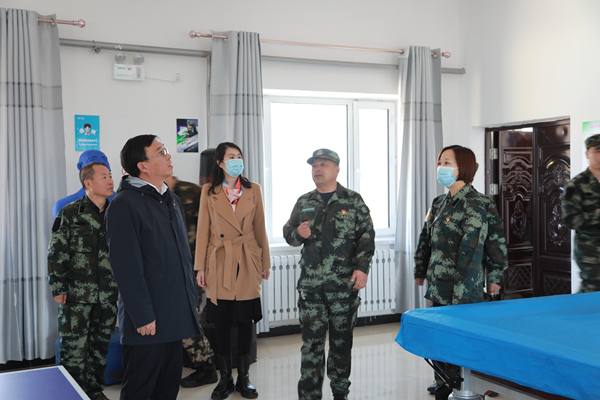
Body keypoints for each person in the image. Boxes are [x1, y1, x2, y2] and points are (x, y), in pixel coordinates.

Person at [105, 135, 201, 400]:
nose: (168, 156)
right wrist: (142, 315)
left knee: (167, 387)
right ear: (143, 165)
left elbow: (183, 255)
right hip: (147, 320)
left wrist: (190, 300)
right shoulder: (125, 204)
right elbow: (126, 267)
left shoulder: (169, 198)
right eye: (160, 152)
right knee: (140, 389)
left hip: (174, 312)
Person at [413, 145, 508, 398]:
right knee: (440, 338)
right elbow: (426, 239)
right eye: (440, 162)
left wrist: (494, 278)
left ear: (462, 167)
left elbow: (485, 248)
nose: (440, 167)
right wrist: (420, 269)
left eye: (447, 162)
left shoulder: (478, 204)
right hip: (438, 286)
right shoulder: (438, 203)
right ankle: (443, 382)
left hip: (464, 289)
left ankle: (470, 386)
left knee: (464, 339)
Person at [283, 148, 375, 400]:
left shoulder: (353, 201)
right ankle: (309, 395)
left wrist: (362, 268)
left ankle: (340, 392)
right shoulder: (304, 201)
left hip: (343, 286)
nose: (317, 169)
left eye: (323, 164)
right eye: (314, 165)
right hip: (311, 288)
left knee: (341, 343)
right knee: (311, 346)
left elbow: (366, 237)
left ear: (337, 169)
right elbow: (289, 232)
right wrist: (297, 234)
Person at [195, 142, 271, 400]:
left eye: (239, 156)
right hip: (219, 260)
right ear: (220, 163)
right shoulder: (209, 191)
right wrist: (200, 267)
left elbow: (260, 227)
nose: (237, 160)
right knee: (222, 322)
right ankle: (225, 378)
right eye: (231, 157)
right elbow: (203, 231)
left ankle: (244, 377)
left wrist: (265, 261)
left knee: (245, 320)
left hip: (248, 258)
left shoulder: (253, 189)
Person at [47, 162, 119, 400]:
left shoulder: (118, 213)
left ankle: (94, 393)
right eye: (104, 177)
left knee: (100, 349)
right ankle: (72, 395)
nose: (110, 181)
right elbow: (56, 253)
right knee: (73, 351)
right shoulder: (69, 213)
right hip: (76, 295)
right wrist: (58, 287)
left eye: (110, 176)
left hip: (107, 294)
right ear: (88, 183)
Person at [164, 175, 218, 388]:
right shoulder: (154, 195)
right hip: (168, 268)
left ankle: (206, 366)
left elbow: (213, 227)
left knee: (187, 316)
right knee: (172, 317)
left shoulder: (193, 192)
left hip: (193, 269)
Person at [563, 133, 600, 293]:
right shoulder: (576, 185)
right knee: (592, 292)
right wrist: (597, 214)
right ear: (587, 154)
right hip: (591, 254)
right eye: (597, 151)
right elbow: (571, 220)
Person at [52, 150, 114, 219]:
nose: (101, 163)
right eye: (93, 160)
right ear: (80, 167)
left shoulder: (119, 201)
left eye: (104, 160)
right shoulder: (64, 206)